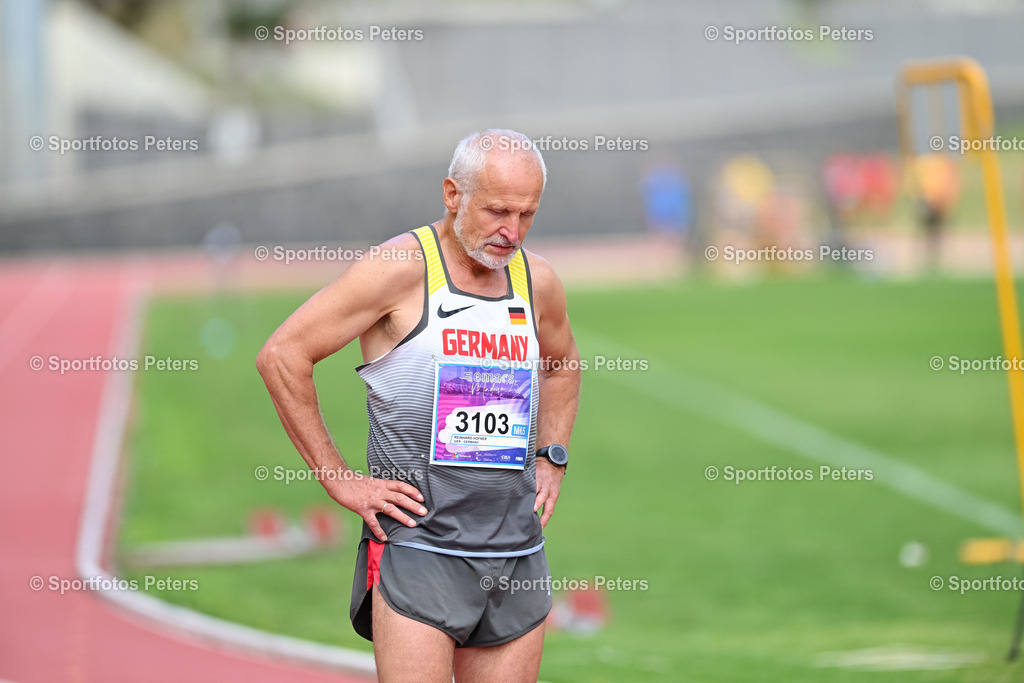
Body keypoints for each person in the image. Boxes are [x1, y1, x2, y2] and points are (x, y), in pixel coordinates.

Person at [257, 128, 581, 682]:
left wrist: (552, 453)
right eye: (499, 210)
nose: (513, 231)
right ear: (453, 194)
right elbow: (283, 354)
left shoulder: (536, 281)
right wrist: (338, 477)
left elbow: (562, 363)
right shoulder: (399, 269)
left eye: (527, 214)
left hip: (515, 552)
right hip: (419, 546)